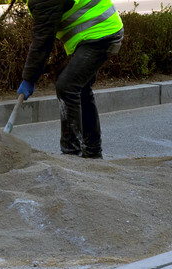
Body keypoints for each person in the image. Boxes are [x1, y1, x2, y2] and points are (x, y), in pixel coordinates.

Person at [17, 0, 124, 159]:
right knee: (81, 89)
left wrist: (29, 79)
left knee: (66, 86)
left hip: (100, 33)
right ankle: (93, 152)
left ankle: (71, 154)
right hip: (101, 31)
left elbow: (42, 41)